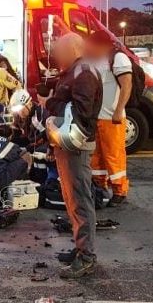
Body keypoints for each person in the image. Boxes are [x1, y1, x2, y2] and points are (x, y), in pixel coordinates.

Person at [42, 33, 103, 279]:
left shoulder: (83, 73)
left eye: (59, 51)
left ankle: (86, 255)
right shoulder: (75, 71)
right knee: (72, 199)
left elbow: (81, 112)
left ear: (72, 50)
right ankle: (81, 248)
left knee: (79, 200)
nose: (56, 56)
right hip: (67, 144)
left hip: (76, 146)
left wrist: (49, 103)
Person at [86, 30, 132, 205]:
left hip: (111, 118)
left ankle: (120, 190)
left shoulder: (118, 58)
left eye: (92, 46)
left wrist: (119, 110)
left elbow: (127, 85)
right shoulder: (94, 60)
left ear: (102, 45)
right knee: (96, 156)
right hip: (95, 117)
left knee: (113, 155)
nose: (90, 49)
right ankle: (100, 187)